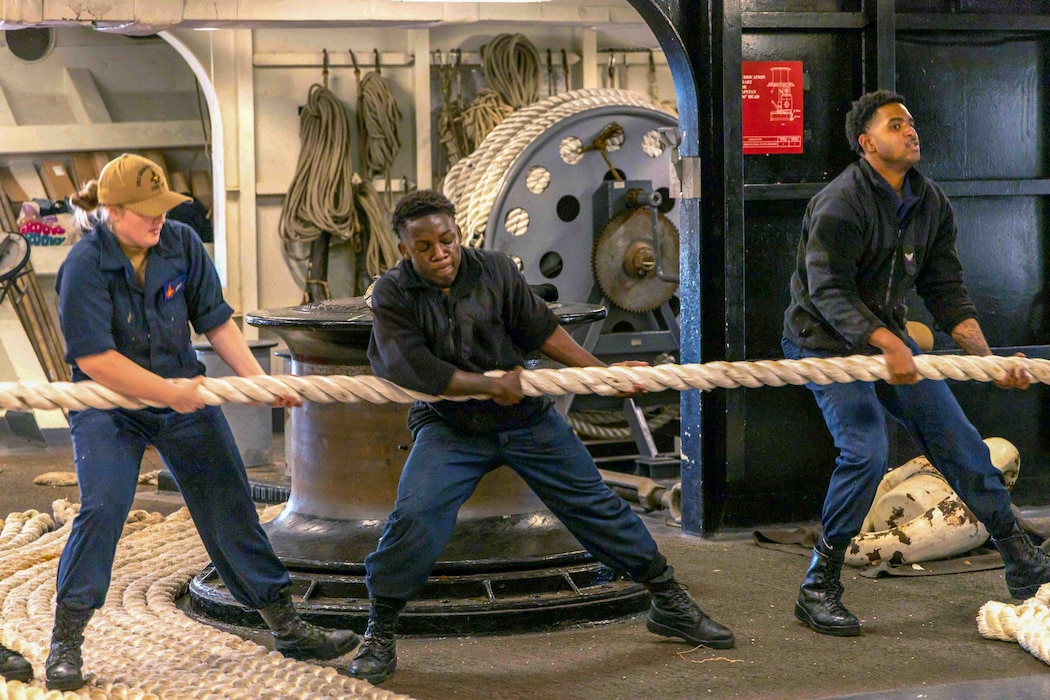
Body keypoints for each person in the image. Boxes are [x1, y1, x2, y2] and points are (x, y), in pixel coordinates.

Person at [348, 189, 734, 684]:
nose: (440, 253)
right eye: (425, 247)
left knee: (594, 504)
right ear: (405, 250)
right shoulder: (392, 293)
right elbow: (411, 366)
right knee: (416, 518)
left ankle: (668, 600)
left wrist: (603, 375)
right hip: (452, 425)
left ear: (458, 234)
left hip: (524, 419)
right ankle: (379, 630)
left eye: (447, 240)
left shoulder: (496, 271)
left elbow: (541, 330)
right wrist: (486, 385)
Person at [49, 154, 359, 691]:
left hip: (180, 397)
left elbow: (215, 319)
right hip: (108, 406)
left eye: (163, 209)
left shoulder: (182, 244)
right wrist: (169, 392)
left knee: (230, 505)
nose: (158, 220)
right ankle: (66, 639)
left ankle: (285, 625)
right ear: (113, 211)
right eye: (146, 212)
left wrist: (257, 382)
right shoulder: (83, 265)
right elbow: (95, 359)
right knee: (102, 508)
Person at [781, 90, 1048, 637]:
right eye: (896, 124)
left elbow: (946, 291)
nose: (910, 131)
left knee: (959, 440)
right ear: (867, 142)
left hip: (891, 342)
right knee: (865, 449)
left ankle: (1021, 561)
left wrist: (989, 361)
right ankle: (818, 586)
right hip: (825, 345)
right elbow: (826, 291)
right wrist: (886, 342)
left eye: (912, 123)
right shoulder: (840, 203)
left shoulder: (929, 203)